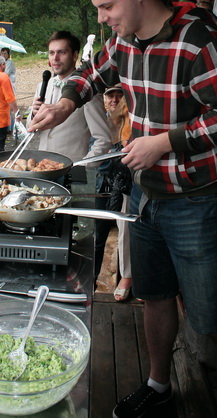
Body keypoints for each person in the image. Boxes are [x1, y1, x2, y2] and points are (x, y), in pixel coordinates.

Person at [29, 0, 217, 418]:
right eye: (97, 7)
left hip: (198, 199)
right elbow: (89, 74)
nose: (101, 18)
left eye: (107, 5)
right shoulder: (122, 39)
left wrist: (165, 140)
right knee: (153, 295)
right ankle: (159, 389)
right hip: (146, 198)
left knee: (213, 316)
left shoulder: (197, 39)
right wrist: (62, 106)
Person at [26, 30, 111, 163]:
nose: (55, 58)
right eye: (52, 53)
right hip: (41, 167)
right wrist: (33, 116)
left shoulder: (87, 90)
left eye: (62, 52)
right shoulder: (42, 86)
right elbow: (30, 131)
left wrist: (82, 168)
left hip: (71, 172)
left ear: (75, 55)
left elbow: (103, 139)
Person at [95, 84, 133, 301]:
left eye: (120, 95)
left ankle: (125, 277)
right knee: (98, 236)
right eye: (110, 95)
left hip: (124, 182)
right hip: (102, 185)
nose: (115, 99)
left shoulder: (129, 119)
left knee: (126, 229)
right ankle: (91, 280)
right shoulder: (98, 120)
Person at [0, 48, 17, 132]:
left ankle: (11, 127)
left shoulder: (9, 63)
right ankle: (8, 126)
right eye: (2, 53)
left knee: (10, 107)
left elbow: (5, 74)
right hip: (4, 87)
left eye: (5, 53)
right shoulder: (2, 63)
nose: (3, 55)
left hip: (10, 87)